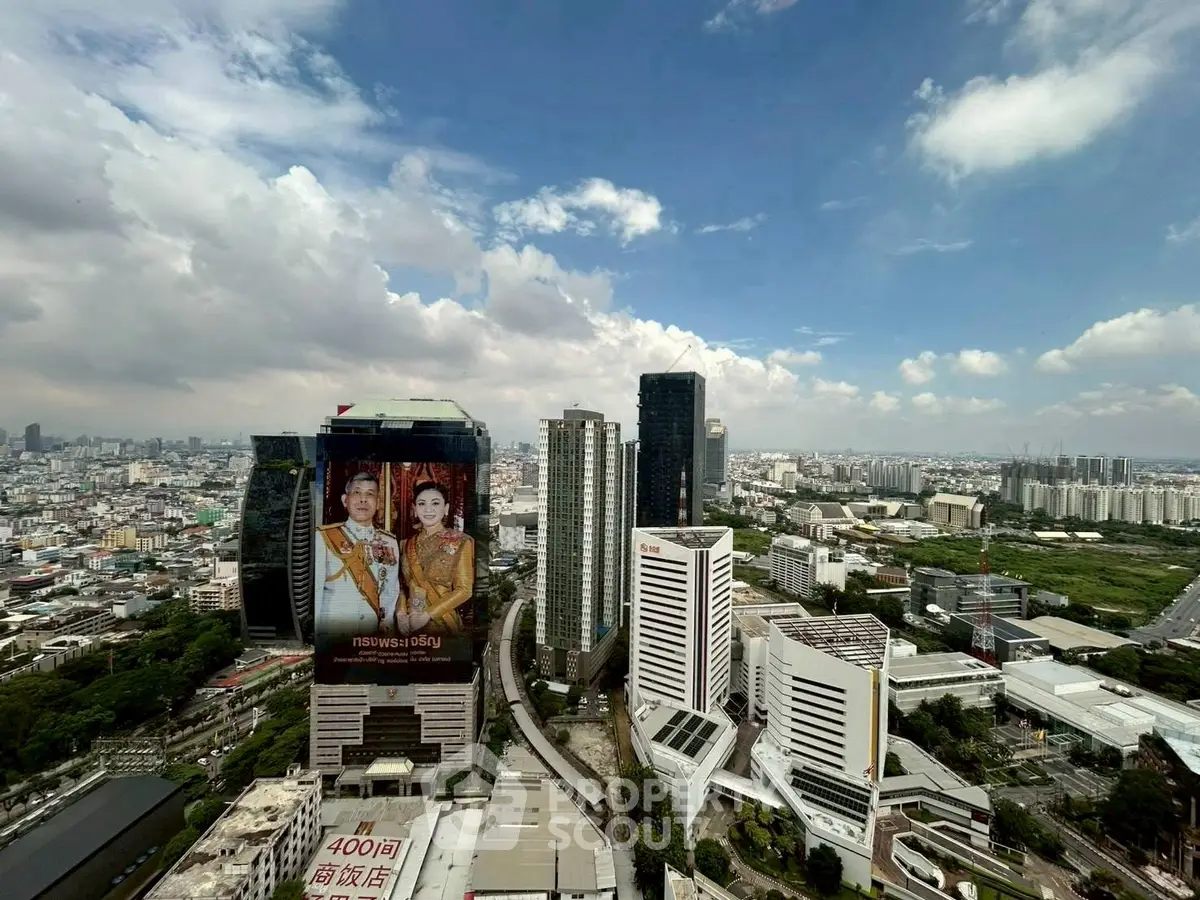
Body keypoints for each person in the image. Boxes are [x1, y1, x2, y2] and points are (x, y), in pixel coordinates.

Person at [315, 471, 402, 639]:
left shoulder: (389, 542)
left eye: (370, 494)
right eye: (357, 492)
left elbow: (390, 591)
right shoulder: (324, 537)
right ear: (345, 500)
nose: (363, 499)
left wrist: (386, 630)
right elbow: (317, 591)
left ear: (378, 503)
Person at [397, 480, 476, 635]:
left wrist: (428, 615)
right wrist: (400, 614)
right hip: (409, 624)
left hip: (442, 623)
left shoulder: (461, 541)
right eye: (421, 504)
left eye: (435, 503)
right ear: (414, 509)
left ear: (445, 509)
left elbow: (465, 590)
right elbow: (400, 586)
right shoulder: (404, 544)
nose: (428, 509)